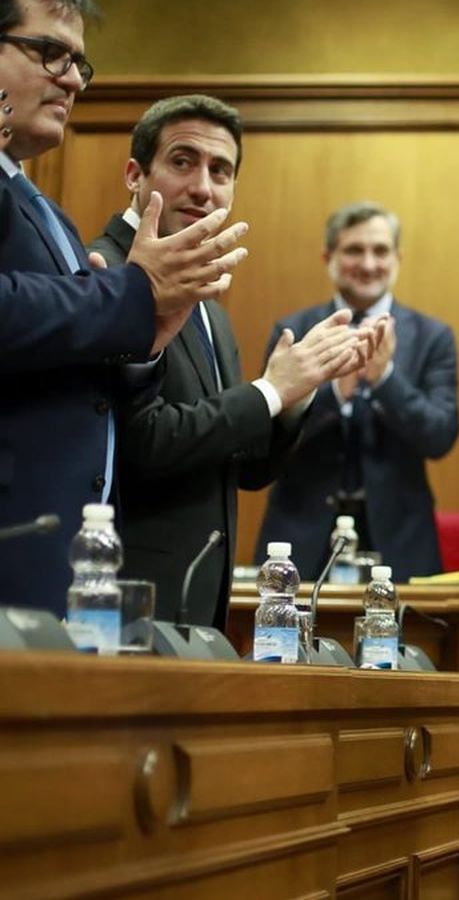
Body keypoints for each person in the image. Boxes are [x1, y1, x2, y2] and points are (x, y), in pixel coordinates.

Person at [87, 95, 374, 629]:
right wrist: (268, 391)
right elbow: (141, 444)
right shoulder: (103, 275)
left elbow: (240, 467)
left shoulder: (209, 304)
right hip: (121, 598)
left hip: (198, 600)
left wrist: (295, 393)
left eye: (221, 171)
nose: (203, 187)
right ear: (134, 174)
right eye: (182, 162)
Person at [0, 0, 248, 615]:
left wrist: (147, 340)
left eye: (80, 63)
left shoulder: (41, 206)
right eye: (51, 53)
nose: (73, 79)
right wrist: (132, 296)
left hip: (54, 565)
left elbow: (84, 372)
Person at [255, 202, 459, 581]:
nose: (368, 264)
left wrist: (385, 381)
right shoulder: (293, 331)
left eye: (380, 250)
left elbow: (440, 435)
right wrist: (335, 392)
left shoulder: (433, 337)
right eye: (353, 250)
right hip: (300, 538)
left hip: (400, 540)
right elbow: (264, 439)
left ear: (397, 258)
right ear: (328, 256)